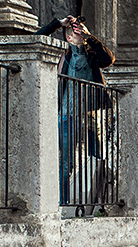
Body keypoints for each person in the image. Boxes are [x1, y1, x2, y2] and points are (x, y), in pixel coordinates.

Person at [36, 16, 114, 203]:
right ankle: (63, 202)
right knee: (65, 162)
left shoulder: (93, 55)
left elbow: (109, 59)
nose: (80, 34)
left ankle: (93, 201)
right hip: (66, 115)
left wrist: (90, 37)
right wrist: (57, 24)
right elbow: (34, 40)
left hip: (90, 116)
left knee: (97, 158)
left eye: (81, 31)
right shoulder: (61, 56)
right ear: (69, 38)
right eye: (76, 32)